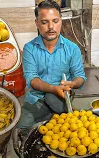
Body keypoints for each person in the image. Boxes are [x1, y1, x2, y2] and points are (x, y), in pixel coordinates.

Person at [16, 0, 87, 133]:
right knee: (21, 129)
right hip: (36, 98)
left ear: (61, 21)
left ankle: (55, 113)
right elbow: (32, 79)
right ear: (37, 23)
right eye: (44, 22)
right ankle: (50, 115)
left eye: (55, 21)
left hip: (62, 96)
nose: (50, 27)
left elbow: (80, 77)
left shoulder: (72, 48)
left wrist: (71, 83)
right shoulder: (30, 48)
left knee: (71, 131)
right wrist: (53, 88)